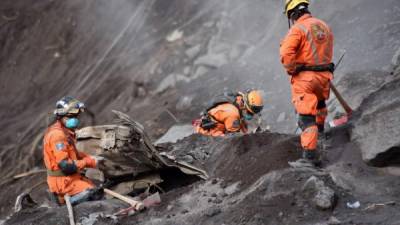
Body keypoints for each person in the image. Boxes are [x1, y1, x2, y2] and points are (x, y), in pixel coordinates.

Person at [280, 0, 334, 164]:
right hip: (324, 76)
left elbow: (286, 52)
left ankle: (310, 158)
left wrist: (291, 69)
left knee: (306, 119)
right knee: (320, 106)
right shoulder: (323, 25)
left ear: (293, 13)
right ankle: (322, 136)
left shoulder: (297, 29)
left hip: (305, 79)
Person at [43, 96, 104, 205]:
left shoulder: (66, 131)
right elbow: (66, 166)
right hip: (63, 181)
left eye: (76, 116)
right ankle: (64, 203)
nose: (75, 119)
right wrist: (90, 162)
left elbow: (74, 153)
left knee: (97, 188)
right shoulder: (57, 135)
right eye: (71, 116)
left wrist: (92, 158)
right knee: (95, 194)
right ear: (62, 117)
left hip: (71, 177)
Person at [194, 90, 264, 136]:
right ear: (246, 104)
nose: (251, 114)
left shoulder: (236, 101)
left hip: (211, 127)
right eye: (251, 112)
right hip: (207, 134)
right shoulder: (233, 113)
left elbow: (243, 128)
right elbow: (234, 139)